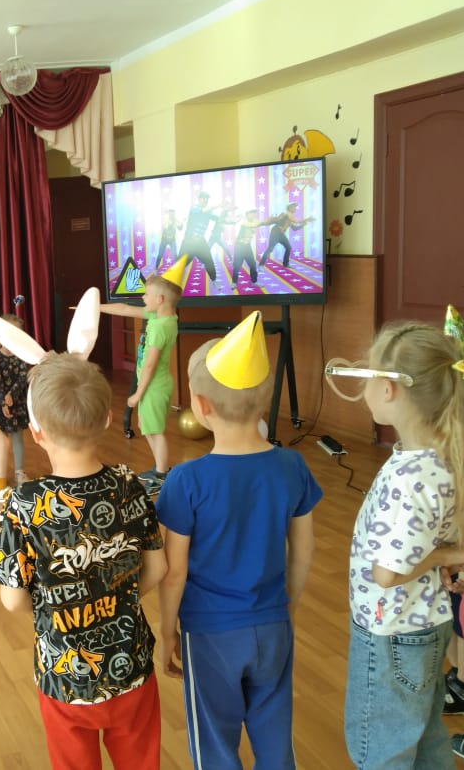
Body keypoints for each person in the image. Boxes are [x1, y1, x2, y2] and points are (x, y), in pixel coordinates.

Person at [0, 298, 167, 770]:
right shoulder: (130, 484)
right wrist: (118, 596)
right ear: (106, 418)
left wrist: (59, 612)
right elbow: (158, 567)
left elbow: (12, 600)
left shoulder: (23, 505)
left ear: (36, 432)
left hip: (64, 676)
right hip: (132, 666)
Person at [155, 311, 320, 770]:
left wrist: (166, 633)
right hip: (273, 623)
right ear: (267, 399)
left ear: (200, 406)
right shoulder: (293, 466)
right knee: (275, 741)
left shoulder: (186, 480)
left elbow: (174, 572)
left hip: (210, 633)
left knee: (214, 746)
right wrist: (288, 607)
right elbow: (304, 551)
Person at [325, 319, 464, 770]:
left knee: (381, 750)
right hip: (427, 624)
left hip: (391, 631)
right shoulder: (444, 457)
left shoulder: (410, 478)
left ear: (389, 389)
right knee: (426, 736)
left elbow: (388, 572)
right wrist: (444, 556)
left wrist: (448, 555)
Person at [100, 256, 186, 495]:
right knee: (149, 428)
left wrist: (137, 394)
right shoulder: (162, 317)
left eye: (146, 295)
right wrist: (95, 307)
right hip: (156, 385)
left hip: (153, 387)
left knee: (155, 431)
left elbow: (149, 366)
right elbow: (125, 309)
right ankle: (160, 469)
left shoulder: (159, 327)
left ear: (160, 300)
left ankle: (162, 474)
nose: (143, 298)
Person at [0, 312, 32, 502]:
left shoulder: (22, 356)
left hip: (17, 403)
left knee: (17, 438)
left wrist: (12, 396)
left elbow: (22, 378)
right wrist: (4, 401)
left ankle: (19, 472)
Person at [177, 191, 219, 281]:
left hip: (200, 242)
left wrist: (232, 218)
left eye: (207, 199)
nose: (206, 200)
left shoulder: (208, 212)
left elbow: (218, 218)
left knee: (209, 261)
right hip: (189, 241)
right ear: (199, 199)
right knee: (180, 263)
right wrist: (219, 205)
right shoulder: (194, 208)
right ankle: (172, 281)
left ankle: (214, 280)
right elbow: (202, 211)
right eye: (204, 198)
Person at [258, 203, 315, 268]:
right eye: (293, 207)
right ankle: (261, 265)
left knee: (288, 247)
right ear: (289, 208)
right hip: (276, 232)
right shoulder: (286, 214)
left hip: (281, 234)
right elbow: (295, 221)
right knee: (270, 248)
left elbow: (295, 228)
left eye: (295, 207)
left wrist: (304, 224)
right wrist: (307, 219)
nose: (295, 208)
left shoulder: (290, 217)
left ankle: (286, 264)